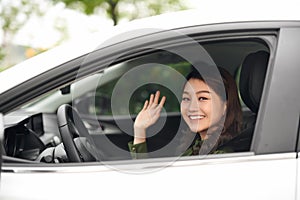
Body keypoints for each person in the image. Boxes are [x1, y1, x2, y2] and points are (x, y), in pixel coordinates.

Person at [128, 66, 242, 159]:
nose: (192, 108)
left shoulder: (221, 157)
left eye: (202, 98)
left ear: (225, 106)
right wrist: (139, 131)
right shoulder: (197, 145)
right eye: (186, 98)